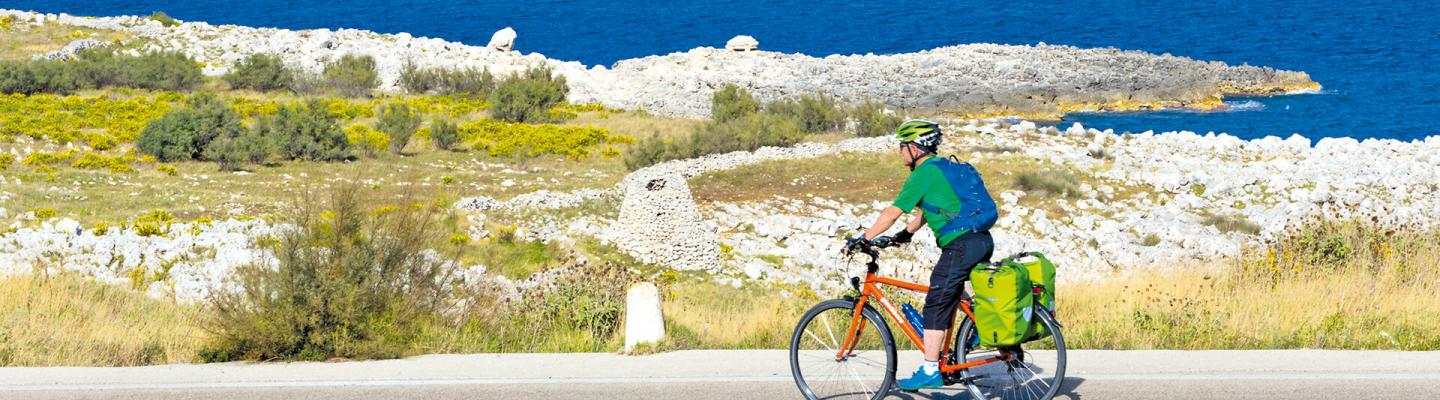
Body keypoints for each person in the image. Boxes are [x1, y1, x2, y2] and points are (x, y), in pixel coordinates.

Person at [850, 119, 997, 391]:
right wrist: (906, 234)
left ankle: (930, 369)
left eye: (902, 146)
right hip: (982, 239)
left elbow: (891, 212)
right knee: (950, 292)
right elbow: (931, 210)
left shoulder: (921, 174)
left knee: (935, 303)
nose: (899, 152)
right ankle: (972, 332)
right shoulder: (944, 167)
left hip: (961, 243)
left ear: (915, 148)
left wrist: (863, 239)